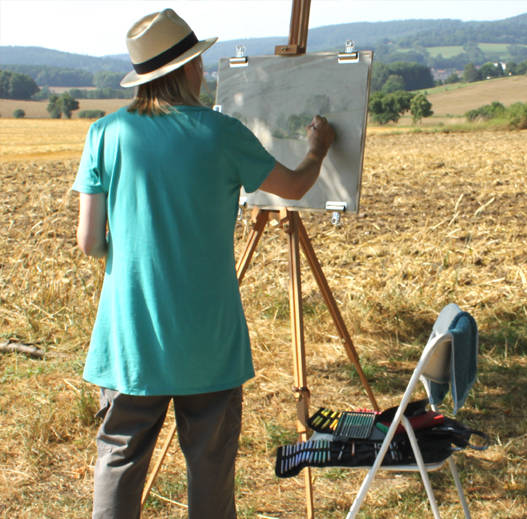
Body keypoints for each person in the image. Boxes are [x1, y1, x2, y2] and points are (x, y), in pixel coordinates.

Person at [73, 9, 335, 518]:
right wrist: (317, 149)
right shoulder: (221, 132)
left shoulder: (104, 133)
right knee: (211, 469)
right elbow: (296, 187)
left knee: (120, 460)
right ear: (189, 69)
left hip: (130, 340)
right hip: (208, 340)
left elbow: (88, 241)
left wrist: (127, 248)